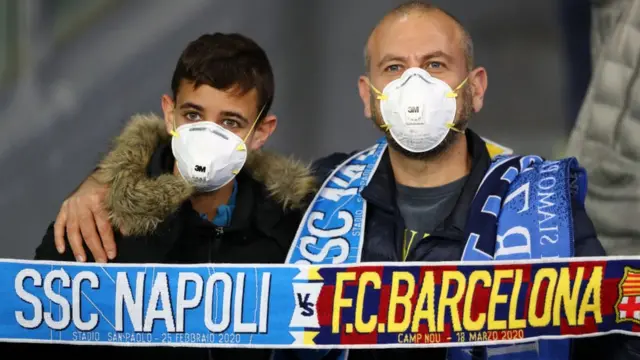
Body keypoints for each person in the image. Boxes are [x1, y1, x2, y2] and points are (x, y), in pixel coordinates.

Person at [47, 2, 637, 360]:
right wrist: (105, 178)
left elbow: (614, 338)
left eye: (434, 65)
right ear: (368, 97)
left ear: (475, 87)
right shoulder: (317, 197)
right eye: (393, 68)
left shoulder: (540, 205)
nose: (414, 86)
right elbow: (202, 192)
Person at [24, 32, 317, 359]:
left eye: (230, 122)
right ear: (169, 113)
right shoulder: (92, 225)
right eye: (193, 115)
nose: (207, 136)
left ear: (261, 132)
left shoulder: (296, 233)